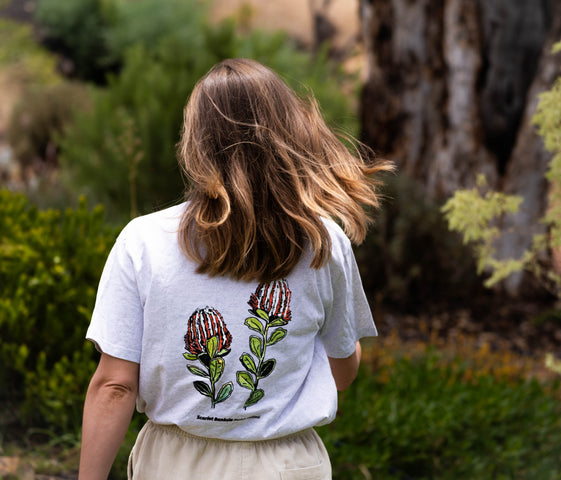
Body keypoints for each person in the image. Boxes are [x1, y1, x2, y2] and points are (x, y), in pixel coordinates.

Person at [79, 58, 393, 480]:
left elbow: (115, 385)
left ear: (195, 141)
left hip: (177, 464)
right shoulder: (323, 242)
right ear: (288, 134)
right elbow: (343, 372)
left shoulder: (143, 241)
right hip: (288, 464)